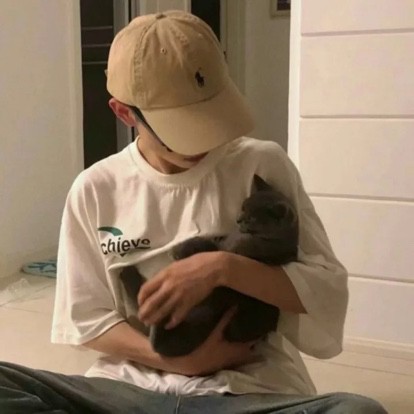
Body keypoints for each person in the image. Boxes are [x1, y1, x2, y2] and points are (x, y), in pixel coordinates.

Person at [0, 10, 387, 414]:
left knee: (359, 411)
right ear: (125, 113)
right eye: (181, 127)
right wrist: (176, 361)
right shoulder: (96, 188)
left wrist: (222, 268)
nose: (202, 141)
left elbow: (324, 290)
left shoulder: (261, 164)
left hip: (246, 391)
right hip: (129, 391)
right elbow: (86, 320)